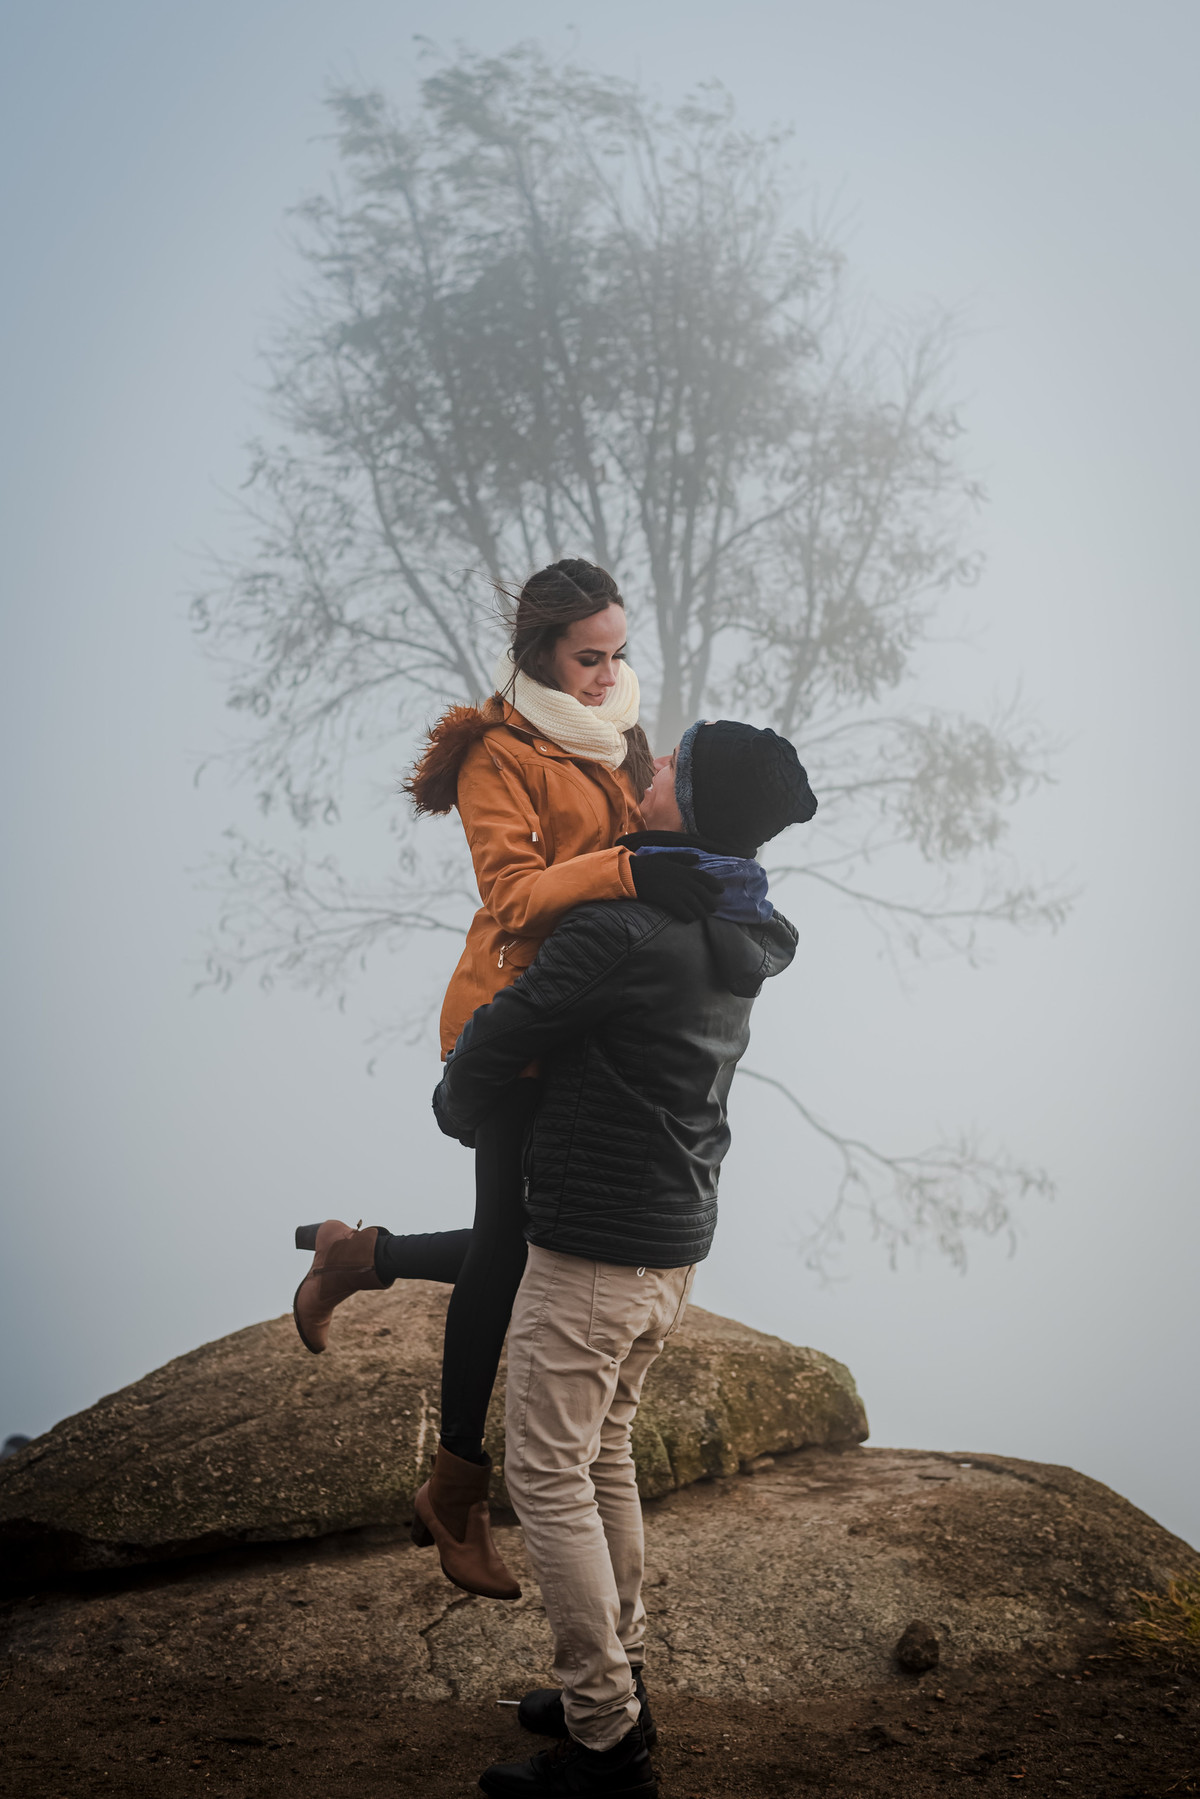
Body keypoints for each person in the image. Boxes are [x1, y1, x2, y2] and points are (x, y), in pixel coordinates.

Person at [289, 561, 720, 1602]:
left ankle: (358, 1255)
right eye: (588, 656)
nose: (608, 673)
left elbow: (657, 845)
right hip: (513, 1021)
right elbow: (515, 895)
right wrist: (630, 870)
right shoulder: (498, 750)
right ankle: (457, 1489)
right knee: (508, 1248)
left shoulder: (621, 732)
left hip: (588, 1026)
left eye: (618, 652)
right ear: (540, 653)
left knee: (520, 1240)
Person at [432, 719, 817, 1799]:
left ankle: (605, 1741)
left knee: (545, 1472)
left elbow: (508, 1028)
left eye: (667, 765)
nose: (647, 770)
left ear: (689, 800)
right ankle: (621, 1673)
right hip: (669, 1244)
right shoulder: (741, 921)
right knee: (602, 1453)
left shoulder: (628, 924)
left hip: (593, 1245)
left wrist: (456, 1101)